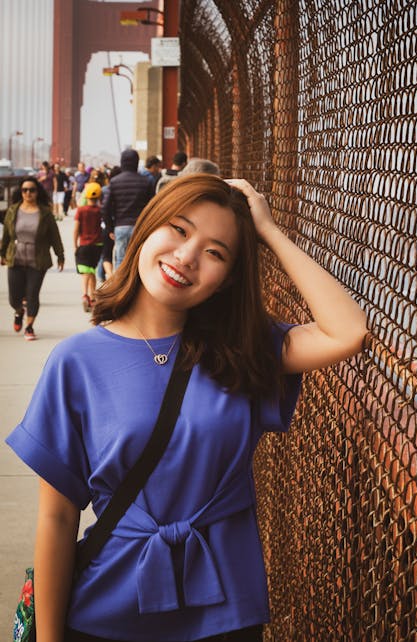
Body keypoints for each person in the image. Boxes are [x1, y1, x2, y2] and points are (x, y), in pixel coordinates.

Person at [5, 175, 367, 641]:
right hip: (106, 606)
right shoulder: (76, 362)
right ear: (147, 228)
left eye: (215, 252)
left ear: (228, 279)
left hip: (224, 609)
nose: (187, 256)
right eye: (178, 229)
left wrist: (270, 232)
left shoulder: (241, 351)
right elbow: (57, 518)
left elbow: (348, 331)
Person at [0, 176, 64, 340]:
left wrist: (60, 256)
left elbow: (54, 236)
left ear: (37, 192)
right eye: (25, 190)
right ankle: (19, 311)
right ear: (21, 192)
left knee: (32, 294)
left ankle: (29, 326)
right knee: (14, 298)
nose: (28, 193)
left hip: (38, 260)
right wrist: (2, 253)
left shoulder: (45, 213)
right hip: (16, 258)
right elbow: (6, 235)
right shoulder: (13, 210)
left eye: (32, 190)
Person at [101, 148, 154, 270]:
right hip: (140, 227)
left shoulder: (114, 182)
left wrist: (110, 227)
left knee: (121, 260)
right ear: (136, 162)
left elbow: (105, 208)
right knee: (138, 260)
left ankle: (120, 288)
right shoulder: (146, 182)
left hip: (120, 226)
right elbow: (153, 206)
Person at [73, 182, 103, 312]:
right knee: (92, 271)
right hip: (97, 246)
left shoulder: (81, 210)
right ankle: (92, 297)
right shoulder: (100, 211)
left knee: (85, 272)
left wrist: (75, 245)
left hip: (84, 244)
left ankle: (85, 295)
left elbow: (76, 229)